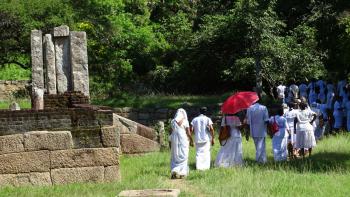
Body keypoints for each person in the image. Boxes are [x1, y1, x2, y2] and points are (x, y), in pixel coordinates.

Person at [170, 108, 193, 179]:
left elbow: (170, 132)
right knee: (184, 155)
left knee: (175, 155)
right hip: (183, 140)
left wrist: (170, 142)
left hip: (174, 141)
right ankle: (183, 172)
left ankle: (175, 170)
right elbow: (188, 133)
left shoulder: (172, 121)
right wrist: (191, 140)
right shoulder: (185, 121)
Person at [246, 99, 269, 163]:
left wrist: (247, 132)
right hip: (262, 129)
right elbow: (266, 119)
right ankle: (260, 160)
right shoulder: (264, 108)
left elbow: (248, 122)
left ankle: (260, 159)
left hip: (253, 129)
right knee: (262, 145)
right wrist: (269, 129)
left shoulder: (249, 108)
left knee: (257, 145)